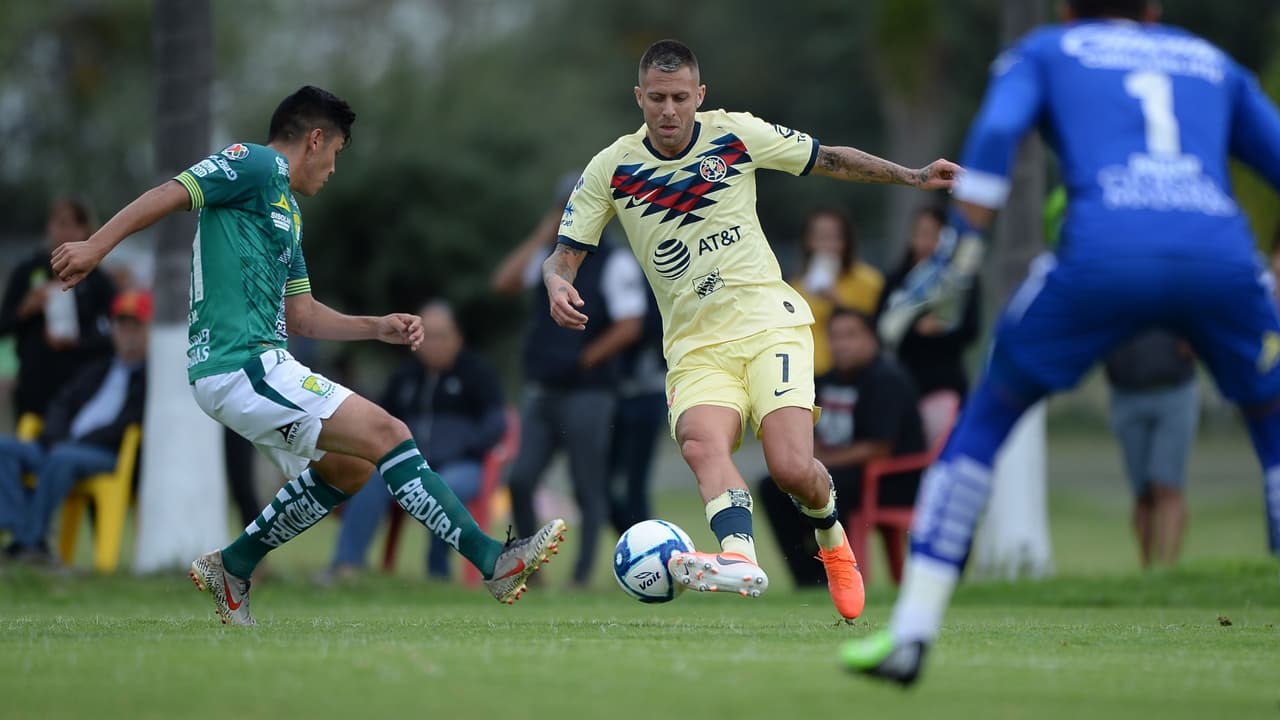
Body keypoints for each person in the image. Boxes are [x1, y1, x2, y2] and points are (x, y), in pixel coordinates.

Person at [844, 0, 1280, 685]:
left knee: (987, 418)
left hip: (1102, 257)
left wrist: (963, 249)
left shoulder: (1046, 50)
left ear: (1067, 8)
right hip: (1221, 261)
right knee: (1274, 431)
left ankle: (912, 633)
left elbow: (997, 132)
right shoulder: (1210, 60)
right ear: (1153, 9)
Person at [50, 86, 565, 625]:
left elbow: (302, 316)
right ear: (315, 140)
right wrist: (96, 246)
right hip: (241, 364)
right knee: (389, 433)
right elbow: (173, 191)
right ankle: (494, 561)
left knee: (352, 468)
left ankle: (232, 566)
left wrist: (376, 327)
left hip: (261, 366)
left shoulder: (287, 212)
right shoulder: (254, 163)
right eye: (336, 152)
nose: (334, 168)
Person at [543, 39, 958, 619]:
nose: (668, 110)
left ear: (699, 95)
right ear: (639, 97)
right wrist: (556, 281)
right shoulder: (610, 169)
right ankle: (739, 556)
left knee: (791, 469)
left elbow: (830, 159)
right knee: (699, 443)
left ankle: (831, 535)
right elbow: (563, 255)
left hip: (769, 326)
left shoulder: (735, 134)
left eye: (680, 97)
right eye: (657, 98)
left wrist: (913, 176)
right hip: (694, 347)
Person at [493, 173, 648, 588]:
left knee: (587, 485)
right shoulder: (547, 259)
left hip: (589, 392)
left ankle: (581, 577)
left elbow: (630, 325)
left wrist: (582, 360)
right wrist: (541, 237)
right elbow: (504, 283)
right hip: (543, 390)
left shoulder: (615, 261)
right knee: (520, 479)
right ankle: (532, 569)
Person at [328, 301, 507, 581]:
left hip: (465, 465)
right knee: (371, 479)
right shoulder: (405, 376)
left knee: (446, 485)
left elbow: (496, 422)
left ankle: (438, 571)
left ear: (458, 338)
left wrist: (464, 447)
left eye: (441, 336)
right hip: (410, 465)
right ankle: (346, 564)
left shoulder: (477, 372)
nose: (434, 344)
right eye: (428, 336)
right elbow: (380, 419)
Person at [758, 308, 925, 587]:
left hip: (889, 480)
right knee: (774, 487)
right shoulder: (824, 380)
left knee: (826, 487)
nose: (841, 345)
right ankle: (810, 580)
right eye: (834, 337)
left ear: (872, 338)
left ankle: (841, 573)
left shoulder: (887, 379)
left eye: (850, 336)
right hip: (844, 472)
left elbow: (879, 448)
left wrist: (819, 461)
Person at [0, 289, 150, 564]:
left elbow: (126, 424)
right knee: (4, 448)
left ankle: (28, 542)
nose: (128, 335)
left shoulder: (149, 379)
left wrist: (73, 443)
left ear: (149, 332)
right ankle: (19, 530)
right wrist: (55, 436)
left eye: (136, 327)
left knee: (62, 457)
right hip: (58, 445)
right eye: (122, 326)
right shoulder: (97, 369)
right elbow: (61, 404)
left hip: (104, 454)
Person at [0, 197, 116, 420]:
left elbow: (112, 334)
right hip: (34, 385)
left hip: (81, 386)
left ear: (86, 230)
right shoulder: (28, 271)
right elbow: (4, 325)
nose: (67, 232)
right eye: (61, 223)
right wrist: (27, 308)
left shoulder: (98, 280)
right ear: (49, 226)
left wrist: (79, 341)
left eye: (75, 224)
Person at [1104, 331, 1199, 567]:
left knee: (1166, 486)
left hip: (1175, 387)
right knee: (1143, 494)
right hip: (1125, 391)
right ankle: (1148, 572)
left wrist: (1199, 338)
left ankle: (1168, 571)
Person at [876, 206, 982, 399]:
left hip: (944, 382)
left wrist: (944, 327)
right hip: (901, 378)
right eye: (922, 232)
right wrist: (914, 328)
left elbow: (971, 328)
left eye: (936, 234)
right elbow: (879, 324)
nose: (927, 241)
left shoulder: (960, 279)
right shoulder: (897, 279)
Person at [790, 208, 884, 375]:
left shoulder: (869, 281)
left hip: (849, 375)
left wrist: (836, 301)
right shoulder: (796, 286)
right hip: (804, 373)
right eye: (820, 237)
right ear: (808, 241)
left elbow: (874, 328)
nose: (828, 245)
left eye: (835, 237)